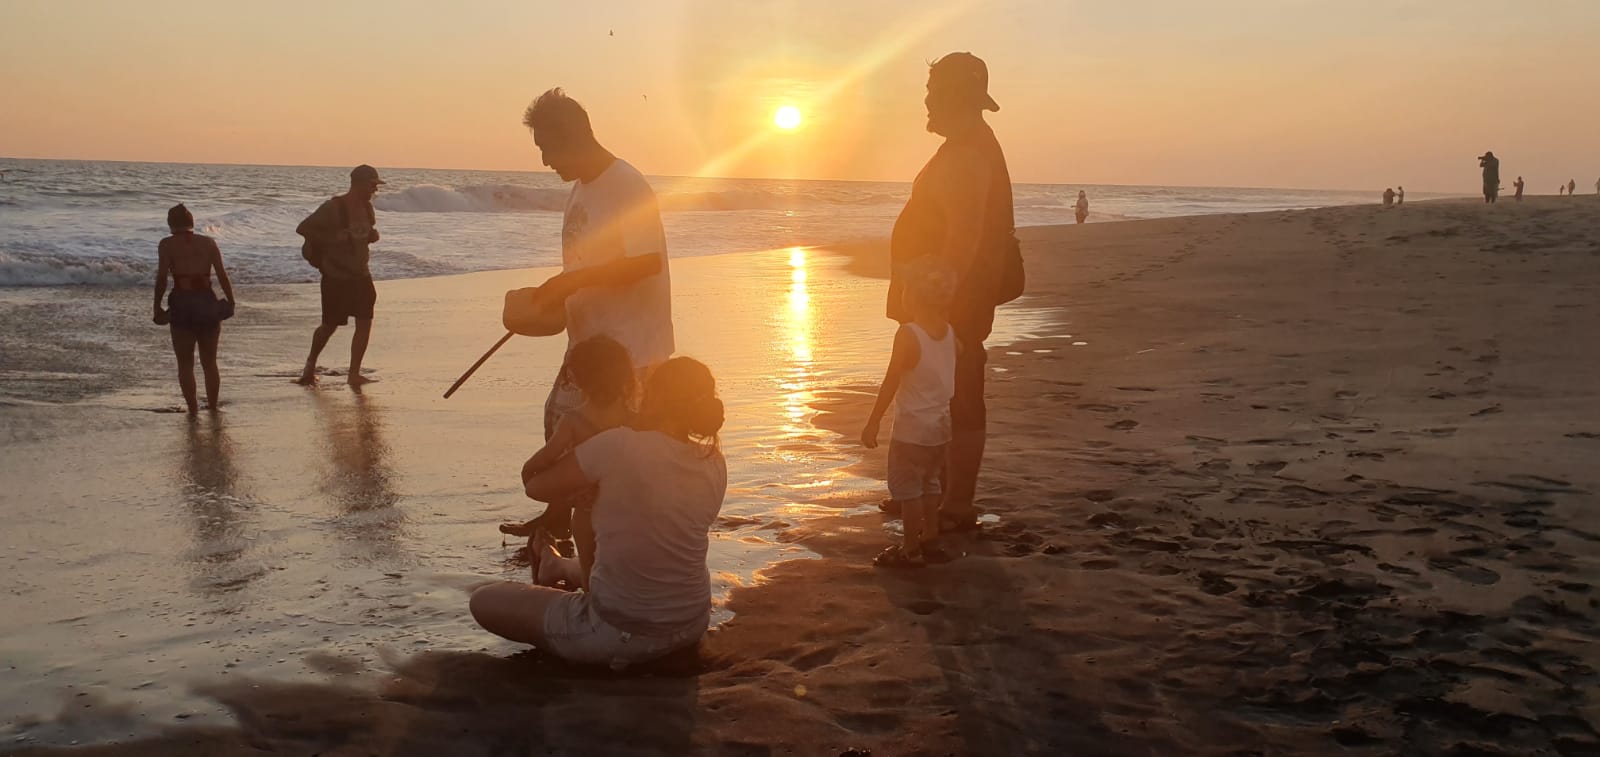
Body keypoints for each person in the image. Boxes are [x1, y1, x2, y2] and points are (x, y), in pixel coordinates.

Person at [469, 357, 726, 669]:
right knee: (633, 557)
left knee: (484, 600)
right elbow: (651, 528)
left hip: (616, 635)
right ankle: (558, 567)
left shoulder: (618, 445)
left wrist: (565, 434)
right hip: (690, 623)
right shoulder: (714, 462)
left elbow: (535, 485)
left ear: (654, 397)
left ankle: (561, 582)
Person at [503, 88, 675, 474]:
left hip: (631, 348)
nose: (545, 161)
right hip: (588, 342)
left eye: (547, 148)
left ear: (574, 137)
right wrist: (554, 300)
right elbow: (587, 264)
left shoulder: (627, 184)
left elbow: (646, 262)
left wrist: (571, 283)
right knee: (562, 428)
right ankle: (561, 519)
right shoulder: (581, 188)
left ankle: (588, 526)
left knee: (605, 449)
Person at [885, 52, 1017, 535]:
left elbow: (964, 236)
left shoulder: (967, 152)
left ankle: (956, 503)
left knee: (958, 393)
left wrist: (939, 303)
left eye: (932, 90)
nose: (925, 100)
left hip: (953, 299)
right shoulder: (964, 145)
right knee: (936, 391)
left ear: (951, 96)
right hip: (941, 297)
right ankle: (930, 490)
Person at [500, 335, 635, 576]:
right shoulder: (635, 418)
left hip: (586, 513)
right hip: (625, 510)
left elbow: (539, 463)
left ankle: (588, 598)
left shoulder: (573, 420)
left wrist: (563, 491)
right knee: (619, 569)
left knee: (590, 568)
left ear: (576, 379)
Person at [862, 263, 958, 567]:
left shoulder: (908, 334)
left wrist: (874, 419)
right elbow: (960, 352)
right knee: (930, 483)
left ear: (912, 297)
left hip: (912, 430)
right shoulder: (948, 332)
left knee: (908, 490)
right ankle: (930, 537)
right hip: (940, 427)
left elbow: (892, 380)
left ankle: (910, 549)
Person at [295, 165, 385, 387]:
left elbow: (367, 234)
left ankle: (354, 373)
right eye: (372, 185)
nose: (374, 190)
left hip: (361, 274)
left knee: (365, 321)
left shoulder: (367, 208)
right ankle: (309, 365)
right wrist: (334, 237)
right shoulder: (333, 207)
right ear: (359, 183)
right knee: (329, 325)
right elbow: (303, 228)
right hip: (336, 276)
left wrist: (371, 236)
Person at [153, 204, 235, 413]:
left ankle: (193, 409)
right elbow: (222, 276)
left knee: (185, 363)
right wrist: (231, 301)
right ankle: (214, 407)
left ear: (171, 224)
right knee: (210, 363)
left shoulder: (166, 245)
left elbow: (162, 279)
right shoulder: (208, 242)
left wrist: (157, 307)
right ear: (192, 222)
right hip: (207, 302)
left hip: (182, 303)